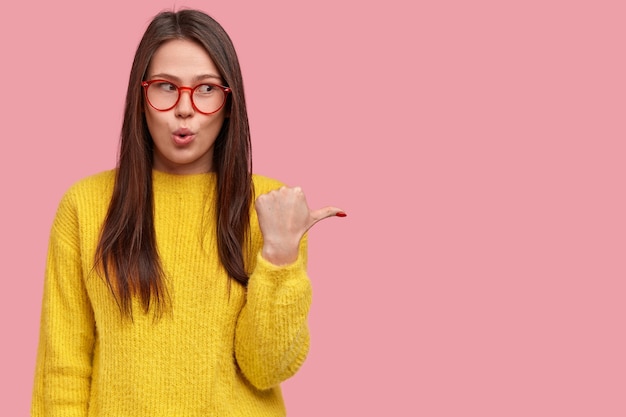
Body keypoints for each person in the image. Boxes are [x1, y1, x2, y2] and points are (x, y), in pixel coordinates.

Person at [31, 8, 345, 417]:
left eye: (207, 89)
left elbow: (268, 368)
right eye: (165, 86)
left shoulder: (270, 207)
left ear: (230, 104)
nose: (185, 108)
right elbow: (63, 369)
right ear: (139, 98)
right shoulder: (85, 205)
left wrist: (280, 258)